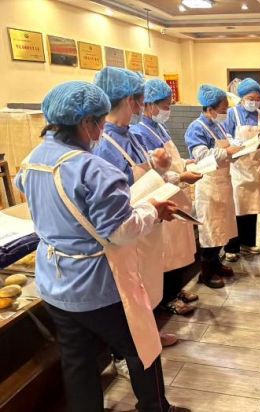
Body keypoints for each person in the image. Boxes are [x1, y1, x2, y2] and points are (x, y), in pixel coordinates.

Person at [15, 81, 186, 412]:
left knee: (77, 359)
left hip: (54, 282)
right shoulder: (93, 169)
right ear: (86, 123)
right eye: (100, 121)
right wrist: (153, 210)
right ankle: (155, 408)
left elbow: (33, 193)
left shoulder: (32, 160)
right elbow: (120, 231)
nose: (103, 128)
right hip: (99, 285)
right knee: (142, 348)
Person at [93, 67, 178, 377]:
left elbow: (143, 175)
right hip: (127, 229)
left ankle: (150, 337)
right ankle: (124, 356)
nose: (144, 105)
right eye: (141, 99)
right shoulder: (103, 144)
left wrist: (161, 168)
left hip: (147, 223)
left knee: (147, 288)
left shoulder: (130, 134)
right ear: (129, 100)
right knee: (129, 296)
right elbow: (113, 198)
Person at [130, 79, 201, 313]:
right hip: (162, 196)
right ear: (148, 105)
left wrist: (185, 163)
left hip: (175, 192)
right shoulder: (140, 132)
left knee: (178, 251)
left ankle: (177, 289)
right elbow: (153, 174)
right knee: (167, 254)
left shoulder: (159, 128)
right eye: (165, 105)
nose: (168, 110)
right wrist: (180, 177)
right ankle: (168, 298)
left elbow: (170, 161)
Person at [185, 84, 242, 288]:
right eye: (223, 109)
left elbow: (227, 148)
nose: (226, 113)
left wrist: (238, 151)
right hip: (208, 185)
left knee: (222, 228)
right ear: (210, 109)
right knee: (211, 229)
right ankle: (206, 272)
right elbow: (201, 156)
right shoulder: (196, 128)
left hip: (224, 183)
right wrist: (227, 152)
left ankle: (216, 264)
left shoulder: (218, 125)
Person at [223, 78, 260, 261]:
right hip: (237, 168)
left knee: (251, 207)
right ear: (242, 97)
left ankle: (248, 243)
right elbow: (225, 138)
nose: (254, 102)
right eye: (251, 98)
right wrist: (236, 143)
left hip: (256, 168)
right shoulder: (231, 114)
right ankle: (231, 246)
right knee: (236, 208)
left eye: (258, 99)